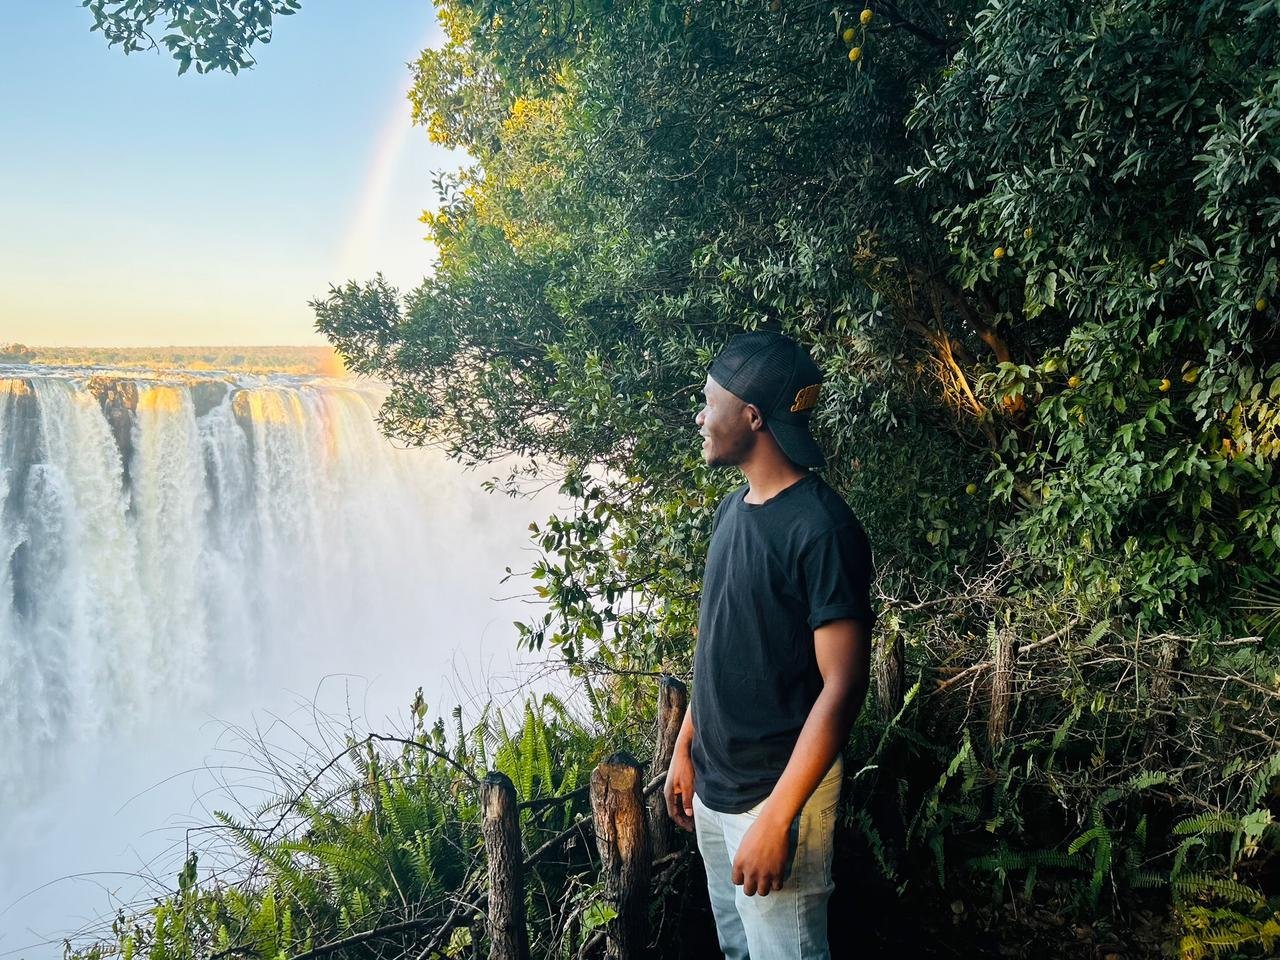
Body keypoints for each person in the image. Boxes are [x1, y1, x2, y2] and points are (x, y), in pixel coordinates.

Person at [664, 330, 876, 960]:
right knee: (737, 950)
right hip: (715, 785)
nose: (700, 417)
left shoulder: (823, 529)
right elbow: (720, 643)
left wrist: (778, 818)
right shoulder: (733, 510)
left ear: (753, 417)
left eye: (710, 403)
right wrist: (685, 745)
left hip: (777, 793)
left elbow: (843, 687)